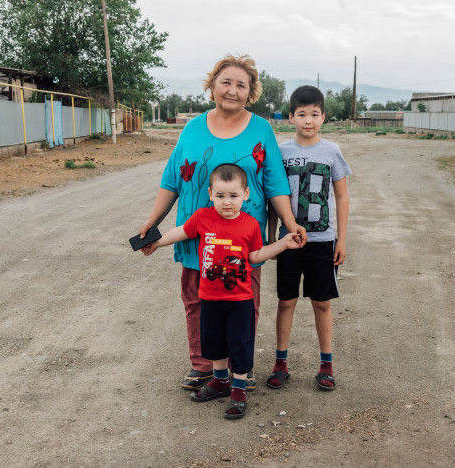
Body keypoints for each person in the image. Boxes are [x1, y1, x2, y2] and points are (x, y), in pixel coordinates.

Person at [138, 55, 307, 391]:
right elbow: (172, 179)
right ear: (213, 86)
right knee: (197, 301)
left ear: (250, 93)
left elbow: (275, 182)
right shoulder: (192, 128)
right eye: (226, 82)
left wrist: (289, 222)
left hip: (243, 238)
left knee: (244, 304)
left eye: (241, 85)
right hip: (197, 236)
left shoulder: (261, 129)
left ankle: (240, 368)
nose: (232, 90)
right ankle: (204, 365)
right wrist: (153, 221)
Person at [142, 164, 301, 419]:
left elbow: (255, 256)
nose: (227, 202)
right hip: (209, 297)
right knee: (213, 342)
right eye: (220, 195)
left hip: (240, 300)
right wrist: (156, 242)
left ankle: (238, 390)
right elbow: (181, 232)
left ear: (246, 194)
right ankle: (220, 381)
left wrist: (283, 244)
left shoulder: (250, 225)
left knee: (239, 344)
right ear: (210, 194)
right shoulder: (202, 218)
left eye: (233, 195)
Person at [265, 85, 351, 392]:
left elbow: (342, 196)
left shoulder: (332, 151)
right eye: (302, 114)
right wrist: (271, 236)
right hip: (289, 242)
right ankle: (280, 363)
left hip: (322, 241)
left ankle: (326, 365)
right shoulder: (281, 152)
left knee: (322, 303)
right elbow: (273, 196)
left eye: (314, 114)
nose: (308, 120)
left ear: (323, 117)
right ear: (290, 117)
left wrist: (341, 240)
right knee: (285, 301)